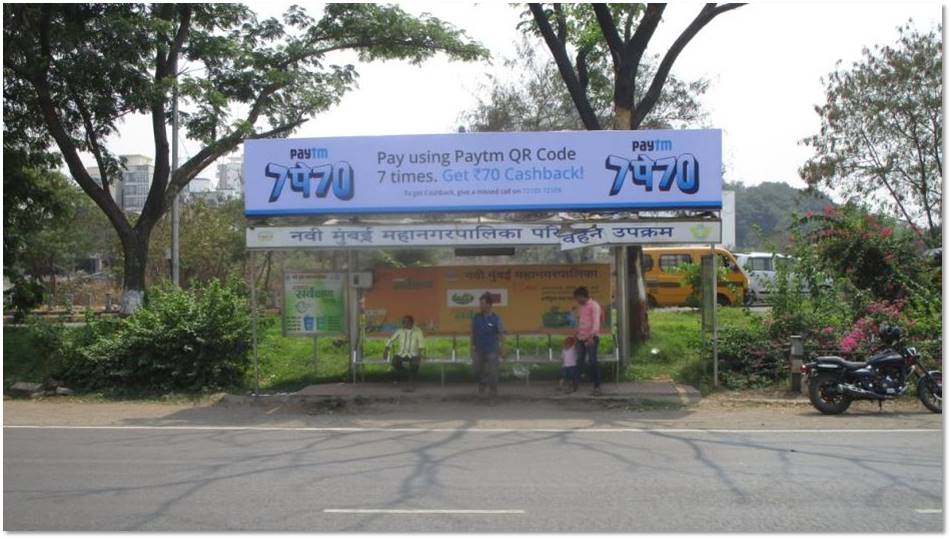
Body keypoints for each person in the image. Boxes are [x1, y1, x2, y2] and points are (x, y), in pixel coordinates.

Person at [471, 292, 505, 402]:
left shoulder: (496, 319)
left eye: (482, 303)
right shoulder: (476, 317)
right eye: (480, 303)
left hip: (492, 350)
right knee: (478, 370)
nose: (480, 306)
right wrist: (471, 347)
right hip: (479, 350)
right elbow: (473, 333)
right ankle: (481, 387)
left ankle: (493, 394)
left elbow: (501, 335)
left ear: (489, 305)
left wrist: (503, 349)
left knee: (492, 372)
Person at [574, 286, 603, 396]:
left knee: (593, 362)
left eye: (577, 298)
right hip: (581, 338)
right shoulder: (581, 307)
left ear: (582, 296)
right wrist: (577, 334)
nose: (577, 300)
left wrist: (591, 336)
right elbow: (581, 321)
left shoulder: (594, 305)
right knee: (579, 361)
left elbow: (596, 322)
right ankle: (575, 385)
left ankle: (597, 387)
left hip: (591, 338)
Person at [384, 315, 425, 391]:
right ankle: (408, 374)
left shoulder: (418, 331)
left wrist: (419, 354)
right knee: (394, 362)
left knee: (415, 364)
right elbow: (391, 340)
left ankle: (411, 384)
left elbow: (421, 343)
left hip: (413, 354)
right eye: (403, 322)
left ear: (411, 322)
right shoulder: (399, 331)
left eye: (405, 322)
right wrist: (386, 349)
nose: (403, 323)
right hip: (401, 354)